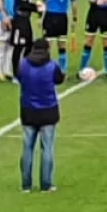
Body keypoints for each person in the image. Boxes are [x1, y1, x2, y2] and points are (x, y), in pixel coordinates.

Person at [16, 42, 66, 194]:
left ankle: (26, 185)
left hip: (28, 110)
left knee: (27, 149)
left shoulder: (23, 64)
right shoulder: (51, 66)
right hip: (48, 111)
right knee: (47, 149)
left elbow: (19, 78)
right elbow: (59, 79)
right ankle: (46, 184)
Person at [41, 0, 77, 72]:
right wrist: (40, 17)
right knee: (47, 45)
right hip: (49, 16)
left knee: (62, 45)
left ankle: (63, 70)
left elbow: (74, 2)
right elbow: (42, 2)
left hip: (62, 17)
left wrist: (74, 18)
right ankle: (45, 69)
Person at [11, 0, 40, 75]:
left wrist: (34, 5)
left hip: (25, 19)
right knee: (19, 46)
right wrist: (36, 8)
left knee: (29, 44)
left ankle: (25, 69)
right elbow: (23, 3)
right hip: (20, 19)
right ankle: (16, 73)